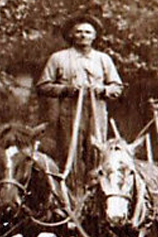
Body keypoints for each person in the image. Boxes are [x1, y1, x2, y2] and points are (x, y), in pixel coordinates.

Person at [36, 15, 123, 175]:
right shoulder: (58, 58)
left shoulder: (103, 59)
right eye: (79, 32)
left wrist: (102, 90)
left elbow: (117, 87)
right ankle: (70, 193)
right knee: (69, 155)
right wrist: (66, 89)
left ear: (94, 36)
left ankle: (96, 192)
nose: (83, 35)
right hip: (69, 114)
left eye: (88, 32)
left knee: (96, 154)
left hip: (96, 114)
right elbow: (43, 86)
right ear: (71, 35)